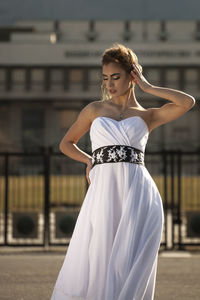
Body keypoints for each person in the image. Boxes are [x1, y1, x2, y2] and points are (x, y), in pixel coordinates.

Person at [51, 43, 195, 300]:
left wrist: (148, 87)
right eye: (105, 78)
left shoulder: (148, 115)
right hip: (104, 192)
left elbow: (187, 102)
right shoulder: (94, 110)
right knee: (100, 256)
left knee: (129, 262)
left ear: (132, 75)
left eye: (116, 77)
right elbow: (66, 143)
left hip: (139, 193)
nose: (110, 84)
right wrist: (88, 161)